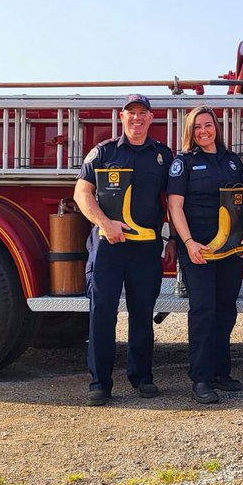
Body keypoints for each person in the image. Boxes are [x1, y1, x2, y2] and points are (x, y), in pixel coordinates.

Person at [73, 93, 172, 407]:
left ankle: (141, 377)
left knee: (142, 314)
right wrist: (105, 223)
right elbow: (81, 192)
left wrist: (169, 239)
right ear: (121, 117)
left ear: (151, 119)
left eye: (143, 113)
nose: (137, 118)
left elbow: (171, 202)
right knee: (102, 313)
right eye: (132, 113)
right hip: (109, 247)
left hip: (146, 248)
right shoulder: (103, 152)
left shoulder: (163, 156)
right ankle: (100, 383)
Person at [167, 106, 243, 404]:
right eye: (197, 127)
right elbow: (175, 206)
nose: (203, 131)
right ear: (190, 132)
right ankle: (201, 379)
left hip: (230, 248)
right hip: (199, 249)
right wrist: (188, 242)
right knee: (203, 310)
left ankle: (220, 372)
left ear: (217, 127)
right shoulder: (183, 163)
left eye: (208, 125)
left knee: (225, 308)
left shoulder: (231, 161)